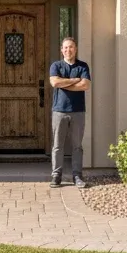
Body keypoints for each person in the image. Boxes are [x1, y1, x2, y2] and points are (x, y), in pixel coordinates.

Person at [48, 37, 91, 188]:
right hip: (59, 111)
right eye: (65, 48)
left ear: (76, 49)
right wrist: (74, 80)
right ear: (61, 50)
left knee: (77, 146)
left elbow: (85, 85)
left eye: (71, 47)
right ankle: (56, 176)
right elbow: (55, 82)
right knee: (57, 145)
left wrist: (64, 83)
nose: (68, 50)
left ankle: (77, 176)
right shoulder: (56, 65)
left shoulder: (83, 66)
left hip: (78, 111)